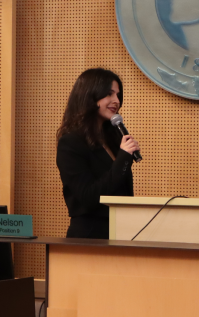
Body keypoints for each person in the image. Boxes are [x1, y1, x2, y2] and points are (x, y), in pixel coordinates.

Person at [56, 68, 141, 239]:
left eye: (118, 95)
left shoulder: (112, 140)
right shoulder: (70, 143)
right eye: (109, 94)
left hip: (121, 232)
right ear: (90, 95)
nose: (116, 101)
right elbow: (88, 197)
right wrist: (123, 158)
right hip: (90, 236)